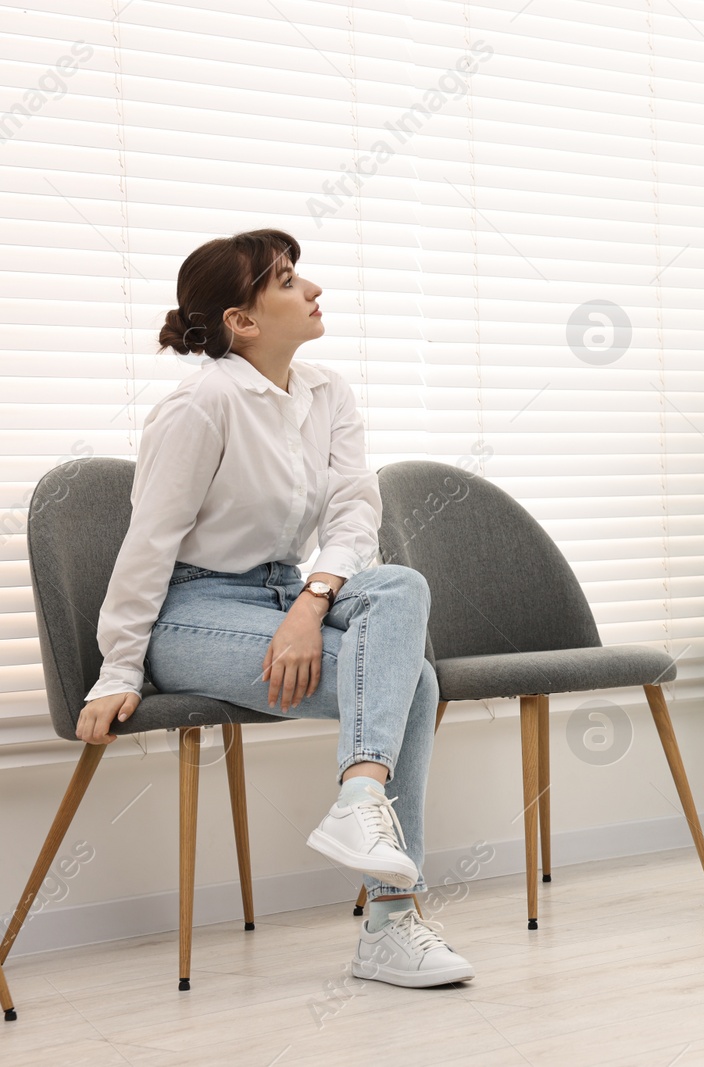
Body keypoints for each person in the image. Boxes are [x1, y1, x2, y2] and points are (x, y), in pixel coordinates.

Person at [78, 228, 473, 988]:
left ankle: (359, 796)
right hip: (193, 612)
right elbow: (148, 544)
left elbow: (357, 515)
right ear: (242, 320)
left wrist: (310, 603)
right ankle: (392, 922)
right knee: (414, 682)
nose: (313, 289)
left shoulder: (328, 392)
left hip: (290, 594)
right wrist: (118, 667)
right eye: (289, 280)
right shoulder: (201, 403)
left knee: (403, 586)